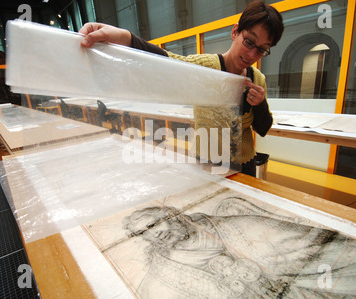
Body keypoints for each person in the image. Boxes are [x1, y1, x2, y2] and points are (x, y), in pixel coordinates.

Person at [79, 1, 284, 176]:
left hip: (245, 166)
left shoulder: (258, 79)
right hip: (207, 164)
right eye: (249, 42)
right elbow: (166, 61)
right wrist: (125, 37)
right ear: (235, 31)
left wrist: (260, 104)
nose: (251, 54)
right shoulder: (205, 67)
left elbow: (263, 129)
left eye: (262, 50)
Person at [121, 197, 356, 299]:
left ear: (175, 215)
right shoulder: (165, 274)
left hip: (307, 277)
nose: (155, 234)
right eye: (143, 233)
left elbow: (304, 244)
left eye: (155, 224)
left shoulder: (232, 222)